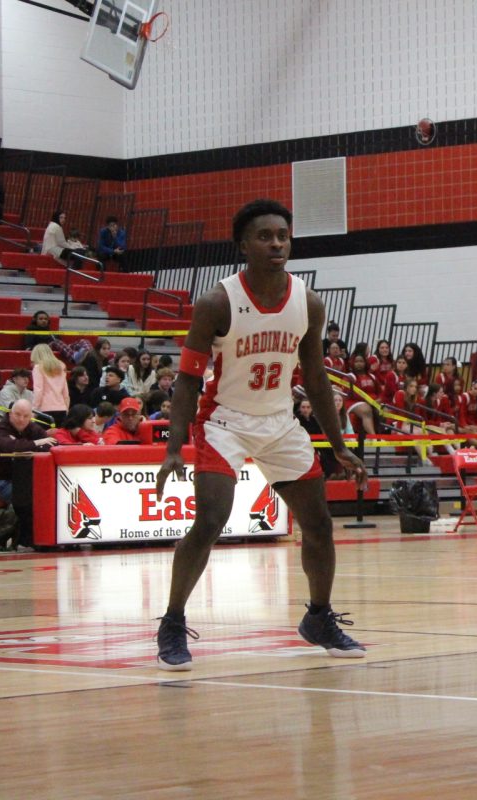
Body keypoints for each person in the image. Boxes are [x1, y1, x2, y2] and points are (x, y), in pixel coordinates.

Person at [153, 199, 366, 671]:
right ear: (243, 245)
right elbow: (188, 379)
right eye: (265, 236)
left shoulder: (307, 301)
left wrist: (339, 445)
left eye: (283, 236)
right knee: (210, 520)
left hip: (280, 423)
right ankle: (172, 619)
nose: (276, 243)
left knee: (320, 525)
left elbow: (315, 378)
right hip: (224, 422)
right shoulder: (217, 302)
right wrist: (173, 448)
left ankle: (318, 617)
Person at [0, 399, 55, 504]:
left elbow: (51, 444)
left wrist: (22, 444)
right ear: (10, 414)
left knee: (48, 490)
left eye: (26, 416)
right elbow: (9, 447)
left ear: (30, 417)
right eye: (17, 415)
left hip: (26, 480)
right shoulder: (0, 429)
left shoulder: (32, 427)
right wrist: (36, 443)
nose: (21, 419)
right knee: (33, 495)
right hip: (1, 483)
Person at [30, 343, 69, 426]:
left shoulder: (38, 368)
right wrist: (66, 408)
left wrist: (33, 410)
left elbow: (38, 391)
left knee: (45, 438)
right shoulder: (61, 367)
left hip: (44, 410)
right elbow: (65, 392)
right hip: (61, 409)